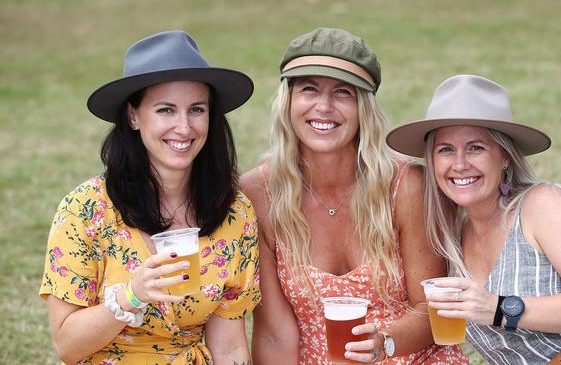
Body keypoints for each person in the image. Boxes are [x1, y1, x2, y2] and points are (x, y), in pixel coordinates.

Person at [386, 74, 561, 364]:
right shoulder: (451, 242)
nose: (460, 164)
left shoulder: (542, 205)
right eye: (446, 150)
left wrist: (498, 309)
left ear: (505, 156)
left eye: (476, 147)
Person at [240, 28, 468, 364]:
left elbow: (429, 310)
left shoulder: (407, 185)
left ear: (364, 107)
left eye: (343, 93)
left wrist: (385, 342)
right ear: (288, 100)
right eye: (309, 89)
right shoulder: (258, 193)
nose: (324, 106)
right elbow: (275, 333)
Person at [39, 30, 260, 364]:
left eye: (197, 109)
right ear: (133, 116)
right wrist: (130, 297)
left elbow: (228, 346)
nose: (184, 127)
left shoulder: (234, 214)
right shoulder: (85, 209)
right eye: (166, 110)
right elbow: (68, 346)